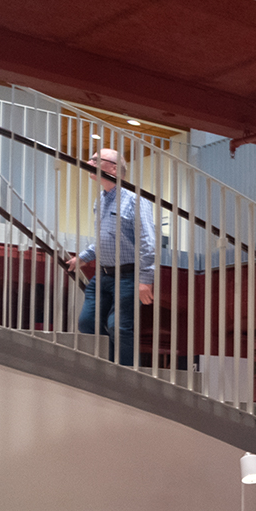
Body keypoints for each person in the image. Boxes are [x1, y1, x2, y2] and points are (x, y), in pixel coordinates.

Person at [65, 148, 155, 366]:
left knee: (119, 327)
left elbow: (148, 241)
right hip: (103, 275)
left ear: (114, 169)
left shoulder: (135, 199)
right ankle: (107, 365)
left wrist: (145, 280)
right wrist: (83, 258)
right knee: (87, 322)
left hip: (128, 276)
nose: (89, 162)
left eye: (96, 160)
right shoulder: (101, 200)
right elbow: (104, 239)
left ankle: (125, 373)